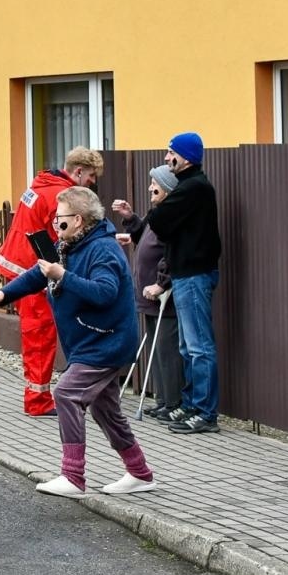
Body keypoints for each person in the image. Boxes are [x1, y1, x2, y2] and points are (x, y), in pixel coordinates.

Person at [0, 187, 157, 497]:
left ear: (78, 220)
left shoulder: (102, 249)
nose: (55, 225)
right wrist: (4, 293)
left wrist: (63, 276)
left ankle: (73, 476)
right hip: (89, 342)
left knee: (65, 394)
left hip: (106, 342)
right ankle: (140, 473)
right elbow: (39, 274)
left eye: (60, 220)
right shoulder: (68, 244)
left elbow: (104, 292)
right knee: (106, 411)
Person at [0, 146, 105, 416]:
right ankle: (37, 400)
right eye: (91, 176)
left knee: (37, 334)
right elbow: (63, 238)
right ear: (78, 171)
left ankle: (39, 394)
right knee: (40, 336)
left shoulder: (43, 184)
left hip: (19, 265)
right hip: (32, 271)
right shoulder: (61, 196)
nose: (92, 182)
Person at [143, 131, 222, 434]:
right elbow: (163, 226)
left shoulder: (193, 188)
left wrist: (160, 214)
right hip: (185, 275)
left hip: (194, 275)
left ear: (186, 157)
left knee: (199, 347)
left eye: (171, 153)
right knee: (188, 347)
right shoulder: (189, 187)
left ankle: (205, 412)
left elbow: (159, 220)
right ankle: (190, 405)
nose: (167, 158)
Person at [111, 166, 181, 422]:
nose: (150, 187)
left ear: (168, 188)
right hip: (149, 295)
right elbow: (145, 237)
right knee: (156, 347)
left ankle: (173, 402)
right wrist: (131, 220)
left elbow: (171, 252)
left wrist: (162, 282)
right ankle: (163, 400)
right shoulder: (157, 213)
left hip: (162, 294)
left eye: (155, 184)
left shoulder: (170, 216)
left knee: (167, 349)